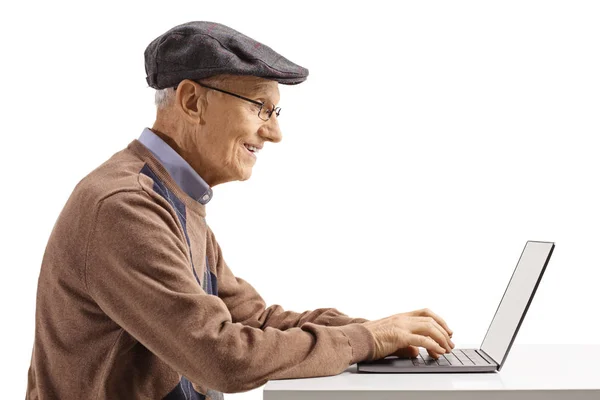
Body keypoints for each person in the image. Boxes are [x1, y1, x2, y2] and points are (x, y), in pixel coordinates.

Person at [25, 21, 455, 400]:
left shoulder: (171, 197)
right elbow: (224, 357)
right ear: (192, 102)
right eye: (259, 108)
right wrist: (365, 339)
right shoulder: (126, 207)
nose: (275, 132)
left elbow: (255, 320)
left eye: (275, 111)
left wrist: (381, 332)